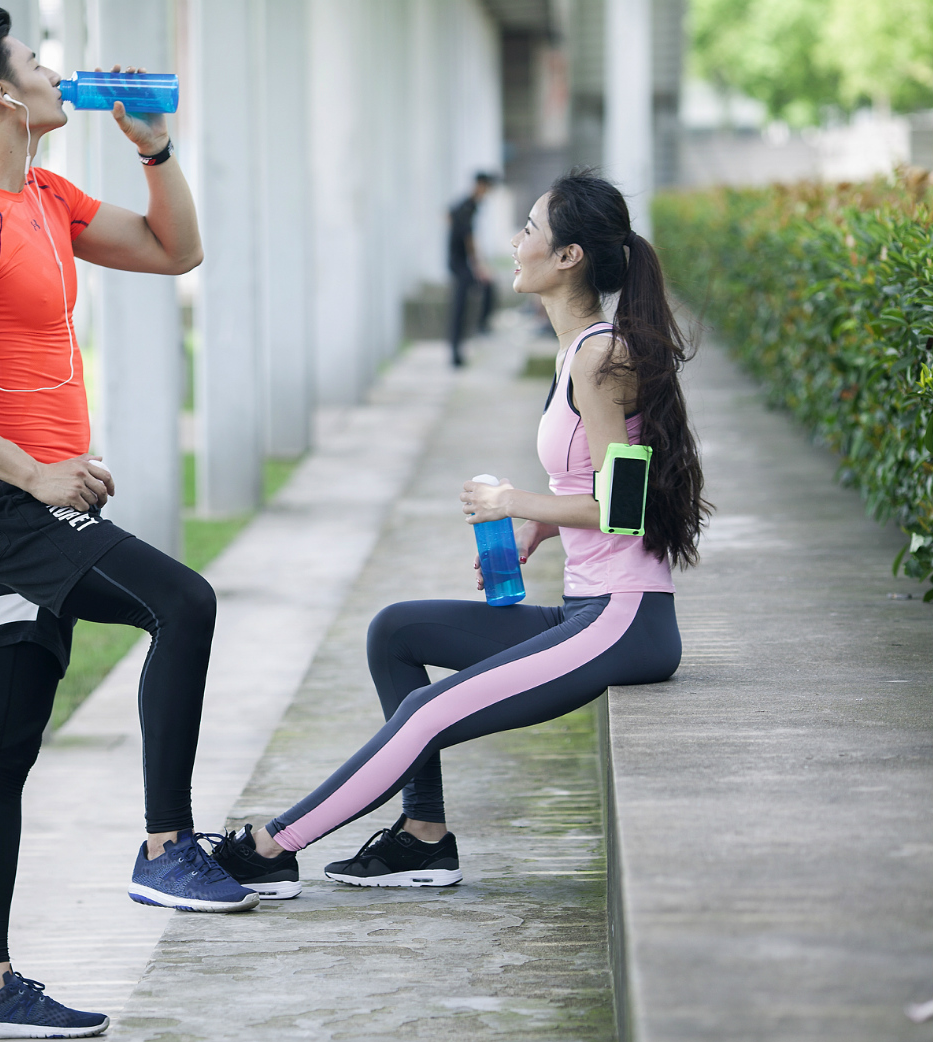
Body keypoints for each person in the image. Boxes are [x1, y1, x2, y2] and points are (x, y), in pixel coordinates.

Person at [0, 5, 256, 1042]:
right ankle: (165, 847)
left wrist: (157, 150)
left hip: (29, 507)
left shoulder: (46, 197)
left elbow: (173, 250)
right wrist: (39, 473)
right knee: (183, 601)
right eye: (34, 63)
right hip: (6, 509)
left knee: (2, 750)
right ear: (3, 96)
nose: (56, 73)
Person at [209, 169, 711, 897]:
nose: (515, 243)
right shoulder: (582, 352)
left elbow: (623, 507)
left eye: (530, 229)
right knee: (395, 632)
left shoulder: (605, 356)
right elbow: (596, 484)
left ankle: (267, 847)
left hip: (624, 620)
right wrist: (540, 527)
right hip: (590, 608)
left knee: (428, 711)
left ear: (568, 256)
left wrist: (515, 502)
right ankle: (421, 838)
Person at [448, 171, 498, 368]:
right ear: (480, 185)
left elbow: (448, 214)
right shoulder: (467, 206)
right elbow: (469, 239)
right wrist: (478, 265)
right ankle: (458, 349)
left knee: (483, 290)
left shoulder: (466, 205)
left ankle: (467, 341)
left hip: (459, 262)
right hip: (460, 263)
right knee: (461, 307)